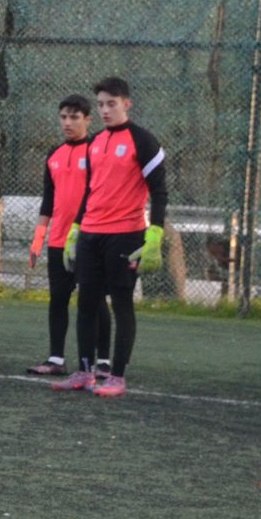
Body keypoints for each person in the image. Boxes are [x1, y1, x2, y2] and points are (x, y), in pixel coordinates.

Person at [52, 75, 169, 398]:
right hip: (91, 235)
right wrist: (76, 229)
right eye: (101, 104)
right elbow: (91, 190)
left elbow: (159, 192)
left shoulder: (143, 141)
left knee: (121, 304)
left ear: (126, 104)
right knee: (86, 303)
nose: (105, 110)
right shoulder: (95, 142)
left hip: (125, 236)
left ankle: (116, 377)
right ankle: (84, 372)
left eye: (111, 104)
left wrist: (154, 235)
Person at [24, 95, 94, 377]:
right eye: (63, 117)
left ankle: (99, 363)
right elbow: (48, 201)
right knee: (58, 300)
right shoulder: (54, 154)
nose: (67, 123)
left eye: (74, 117)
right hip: (58, 242)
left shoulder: (95, 150)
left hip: (89, 240)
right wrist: (38, 239)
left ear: (88, 120)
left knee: (92, 302)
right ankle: (56, 359)